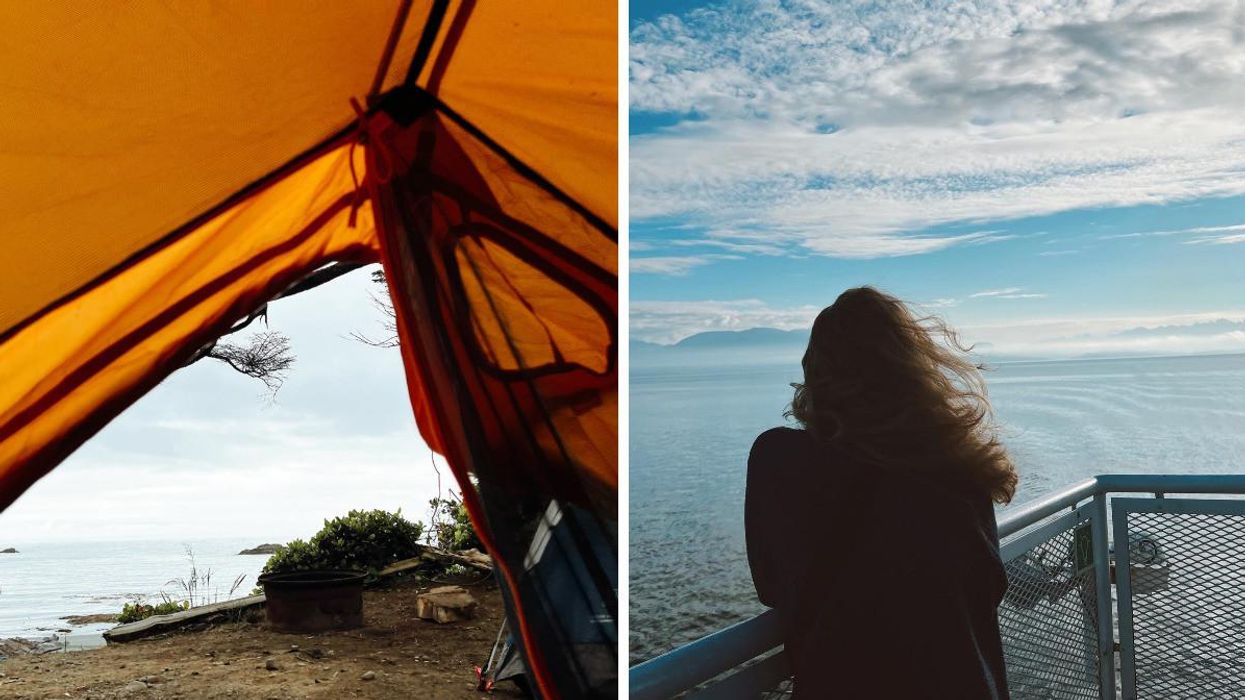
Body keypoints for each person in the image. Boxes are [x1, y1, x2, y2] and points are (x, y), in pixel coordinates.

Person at [746, 286, 1017, 699]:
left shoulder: (779, 459)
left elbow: (771, 587)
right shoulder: (957, 467)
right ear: (914, 369)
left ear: (816, 371)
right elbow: (987, 585)